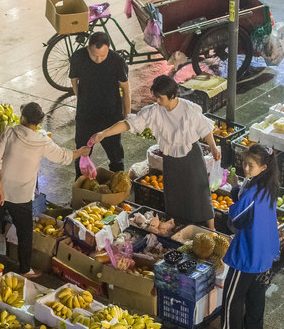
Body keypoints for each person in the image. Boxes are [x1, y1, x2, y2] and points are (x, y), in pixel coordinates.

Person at [91, 75, 220, 229]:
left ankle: (212, 228)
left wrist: (212, 147)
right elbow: (128, 123)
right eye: (156, 97)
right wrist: (104, 133)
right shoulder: (154, 111)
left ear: (171, 95)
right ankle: (177, 225)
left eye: (160, 97)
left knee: (199, 190)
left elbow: (204, 128)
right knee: (174, 192)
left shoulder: (188, 109)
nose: (157, 101)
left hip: (191, 156)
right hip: (170, 158)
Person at [0, 102, 91, 278]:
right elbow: (63, 156)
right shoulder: (43, 141)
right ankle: (25, 269)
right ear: (38, 123)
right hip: (21, 197)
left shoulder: (10, 132)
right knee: (25, 233)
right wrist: (80, 152)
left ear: (22, 118)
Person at [216, 144, 281, 329]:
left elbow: (238, 217)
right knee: (256, 291)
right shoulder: (268, 185)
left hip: (248, 252)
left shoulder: (253, 191)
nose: (245, 168)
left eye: (251, 165)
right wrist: (237, 189)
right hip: (265, 250)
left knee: (233, 295)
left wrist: (233, 205)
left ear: (263, 167)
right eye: (244, 163)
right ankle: (254, 326)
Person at [69, 32, 130, 175]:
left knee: (115, 155)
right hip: (86, 115)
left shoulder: (117, 61)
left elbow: (126, 90)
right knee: (82, 153)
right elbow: (74, 79)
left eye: (103, 55)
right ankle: (80, 184)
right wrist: (80, 96)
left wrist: (127, 116)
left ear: (108, 48)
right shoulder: (78, 57)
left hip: (110, 116)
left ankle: (118, 183)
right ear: (88, 48)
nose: (99, 59)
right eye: (95, 55)